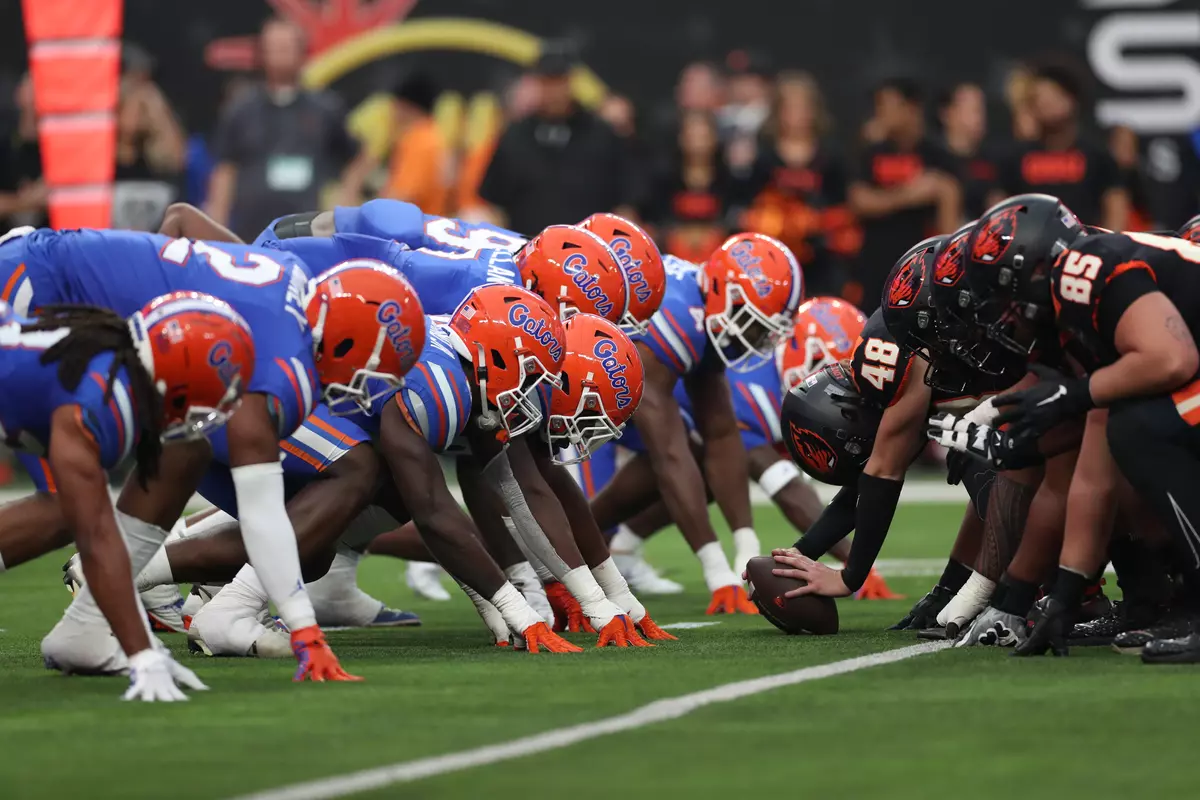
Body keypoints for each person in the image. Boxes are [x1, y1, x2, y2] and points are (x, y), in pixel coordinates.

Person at [0, 226, 422, 681]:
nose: (365, 393)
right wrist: (305, 630)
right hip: (34, 294)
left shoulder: (292, 287)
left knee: (185, 452)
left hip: (45, 283)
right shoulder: (287, 364)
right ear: (344, 341)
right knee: (75, 500)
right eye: (373, 373)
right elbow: (262, 511)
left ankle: (88, 624)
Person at [930, 196, 1200, 661]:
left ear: (1037, 269)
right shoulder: (1085, 299)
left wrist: (1070, 395)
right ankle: (1164, 599)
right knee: (1126, 434)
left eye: (1006, 297)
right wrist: (1061, 598)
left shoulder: (1083, 269)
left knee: (1140, 431)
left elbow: (1172, 359)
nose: (1006, 318)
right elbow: (1093, 477)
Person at [0, 293, 254, 700]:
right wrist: (143, 655)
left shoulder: (114, 360)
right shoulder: (96, 401)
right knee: (83, 506)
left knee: (183, 451)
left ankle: (86, 630)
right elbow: (97, 539)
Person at [590, 233, 803, 613]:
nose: (758, 340)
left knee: (695, 453)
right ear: (725, 294)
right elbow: (668, 454)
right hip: (576, 393)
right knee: (571, 536)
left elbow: (721, 436)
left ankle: (610, 549)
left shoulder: (704, 316)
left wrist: (746, 547)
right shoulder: (674, 314)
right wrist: (717, 572)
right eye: (753, 325)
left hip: (609, 396)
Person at [205, 18, 372, 241]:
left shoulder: (325, 109)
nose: (279, 55)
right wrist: (217, 218)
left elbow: (358, 157)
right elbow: (225, 168)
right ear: (261, 53)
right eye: (272, 48)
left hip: (310, 231)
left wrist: (346, 197)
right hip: (251, 229)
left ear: (302, 53)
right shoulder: (241, 109)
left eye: (286, 48)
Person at [477, 44, 637, 234]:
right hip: (526, 248)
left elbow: (626, 203)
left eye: (559, 81)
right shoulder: (514, 136)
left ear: (571, 81)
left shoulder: (602, 135)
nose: (554, 91)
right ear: (537, 83)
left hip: (591, 251)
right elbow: (492, 202)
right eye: (547, 82)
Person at [739, 71, 857, 297]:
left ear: (815, 111)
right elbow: (748, 205)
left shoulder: (830, 156)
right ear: (778, 112)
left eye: (803, 108)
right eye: (790, 108)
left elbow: (843, 206)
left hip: (821, 260)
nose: (797, 115)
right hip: (773, 259)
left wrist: (816, 223)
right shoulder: (764, 157)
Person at [848, 78, 961, 313]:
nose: (881, 113)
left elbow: (949, 212)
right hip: (875, 268)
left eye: (887, 105)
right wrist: (909, 195)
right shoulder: (871, 153)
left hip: (921, 271)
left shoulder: (938, 155)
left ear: (912, 108)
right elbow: (859, 201)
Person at [989, 60, 1129, 231]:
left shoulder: (1097, 156)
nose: (1043, 105)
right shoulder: (1014, 158)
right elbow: (997, 210)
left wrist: (1106, 247)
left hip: (1086, 250)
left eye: (1051, 97)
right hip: (1028, 251)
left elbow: (1116, 206)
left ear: (1071, 100)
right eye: (1037, 99)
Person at [112, 44, 187, 232]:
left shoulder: (156, 120)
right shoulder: (98, 135)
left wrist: (155, 109)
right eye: (135, 83)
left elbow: (175, 158)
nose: (141, 95)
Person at [644, 111, 732, 264]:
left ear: (714, 139)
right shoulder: (665, 177)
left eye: (703, 137)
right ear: (681, 139)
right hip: (672, 254)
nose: (697, 144)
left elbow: (732, 215)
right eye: (692, 137)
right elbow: (657, 217)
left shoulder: (727, 176)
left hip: (718, 253)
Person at [381, 73, 450, 217]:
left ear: (406, 106)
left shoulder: (420, 142)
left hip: (414, 230)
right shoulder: (432, 135)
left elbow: (404, 196)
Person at [937, 82, 995, 221]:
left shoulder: (992, 161)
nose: (980, 118)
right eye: (973, 110)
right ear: (947, 113)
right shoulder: (932, 159)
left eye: (982, 110)